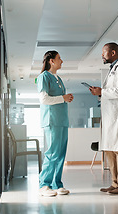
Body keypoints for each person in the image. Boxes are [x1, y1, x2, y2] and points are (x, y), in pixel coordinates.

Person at [89, 42, 118, 194]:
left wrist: (103, 91)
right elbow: (111, 91)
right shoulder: (113, 68)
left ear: (113, 53)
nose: (102, 55)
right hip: (110, 116)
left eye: (104, 52)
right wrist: (100, 93)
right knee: (109, 149)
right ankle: (115, 183)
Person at [37, 50, 74, 197]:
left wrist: (66, 98)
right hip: (51, 120)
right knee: (52, 153)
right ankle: (44, 185)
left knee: (60, 153)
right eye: (59, 58)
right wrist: (62, 98)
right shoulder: (43, 77)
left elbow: (59, 97)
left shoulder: (57, 77)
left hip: (62, 120)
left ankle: (57, 184)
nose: (62, 61)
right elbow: (44, 99)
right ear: (51, 61)